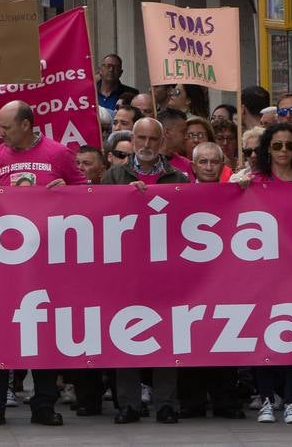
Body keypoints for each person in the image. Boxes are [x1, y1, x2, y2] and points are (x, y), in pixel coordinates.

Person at [0, 101, 79, 428]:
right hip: (4, 263)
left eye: (6, 127)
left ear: (27, 125)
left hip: (46, 263)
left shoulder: (58, 153)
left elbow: (88, 193)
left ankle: (44, 404)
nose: (0, 134)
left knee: (43, 334)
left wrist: (69, 191)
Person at [101, 117, 187, 425]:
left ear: (162, 143)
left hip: (165, 271)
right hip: (125, 271)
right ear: (132, 140)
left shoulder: (178, 176)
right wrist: (124, 197)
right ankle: (129, 404)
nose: (147, 145)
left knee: (166, 336)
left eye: (153, 139)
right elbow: (99, 218)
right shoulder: (113, 175)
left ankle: (166, 403)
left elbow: (189, 222)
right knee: (126, 336)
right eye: (141, 138)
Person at [233, 123, 292, 423]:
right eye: (277, 146)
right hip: (260, 272)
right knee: (261, 336)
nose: (283, 152)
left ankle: (291, 401)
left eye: (289, 146)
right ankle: (266, 399)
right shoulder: (255, 181)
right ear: (267, 149)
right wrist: (239, 189)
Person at [176, 142, 245, 420]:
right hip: (188, 280)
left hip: (224, 278)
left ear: (222, 164)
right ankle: (191, 403)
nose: (207, 167)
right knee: (191, 340)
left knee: (223, 340)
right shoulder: (179, 195)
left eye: (213, 162)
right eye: (202, 162)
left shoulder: (236, 195)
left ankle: (225, 401)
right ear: (192, 167)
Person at [155, 108, 192, 173]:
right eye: (183, 132)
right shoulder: (145, 164)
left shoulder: (187, 164)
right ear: (167, 132)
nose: (186, 137)